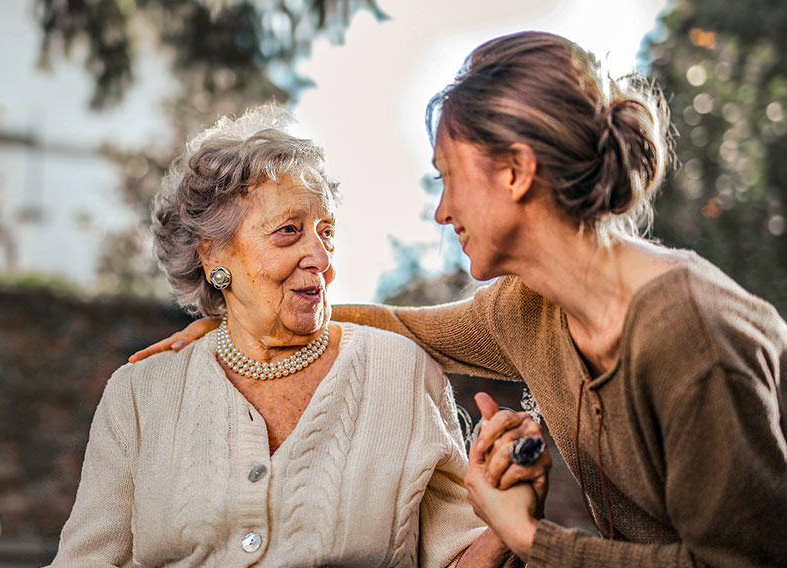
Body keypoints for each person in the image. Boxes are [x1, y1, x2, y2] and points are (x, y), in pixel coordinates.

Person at [129, 32, 787, 567]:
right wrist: (244, 323)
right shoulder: (528, 310)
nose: (441, 211)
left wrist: (529, 538)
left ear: (515, 170)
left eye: (447, 178)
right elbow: (398, 326)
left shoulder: (690, 334)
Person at [47, 105, 549, 567]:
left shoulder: (404, 373)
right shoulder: (140, 394)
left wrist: (506, 527)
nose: (323, 259)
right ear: (213, 254)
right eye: (289, 230)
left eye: (326, 232)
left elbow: (458, 558)